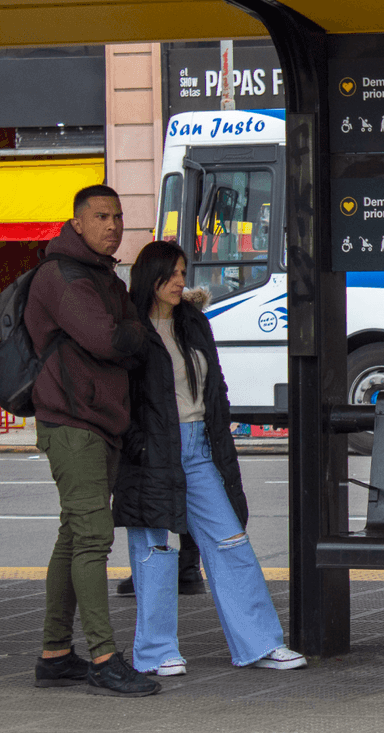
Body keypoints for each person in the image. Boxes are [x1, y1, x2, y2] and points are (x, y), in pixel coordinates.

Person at [114, 241, 306, 676]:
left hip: (199, 447)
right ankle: (156, 651)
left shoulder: (194, 322)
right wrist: (138, 445)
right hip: (152, 452)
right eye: (174, 273)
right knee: (154, 550)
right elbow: (118, 397)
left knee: (231, 541)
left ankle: (260, 644)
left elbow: (215, 387)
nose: (182, 281)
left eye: (184, 272)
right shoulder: (130, 329)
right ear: (152, 276)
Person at [28, 185, 159, 697]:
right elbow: (112, 338)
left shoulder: (103, 276)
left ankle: (55, 654)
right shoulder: (62, 277)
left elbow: (121, 334)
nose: (113, 225)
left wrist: (126, 331)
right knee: (92, 539)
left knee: (73, 535)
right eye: (101, 216)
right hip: (73, 423)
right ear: (77, 223)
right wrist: (131, 333)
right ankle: (104, 657)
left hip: (98, 422)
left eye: (118, 216)